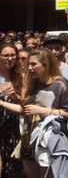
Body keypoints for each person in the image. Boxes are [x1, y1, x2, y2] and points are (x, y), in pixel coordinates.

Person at [0, 48, 68, 178]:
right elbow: (26, 110)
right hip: (29, 140)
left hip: (48, 142)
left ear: (46, 64)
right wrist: (6, 102)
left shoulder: (61, 85)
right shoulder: (36, 84)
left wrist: (44, 111)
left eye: (33, 64)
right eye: (29, 64)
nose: (29, 68)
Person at [0, 43, 23, 177]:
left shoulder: (21, 76)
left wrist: (16, 96)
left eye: (12, 55)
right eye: (5, 55)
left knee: (11, 165)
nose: (9, 58)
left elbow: (26, 103)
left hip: (12, 125)